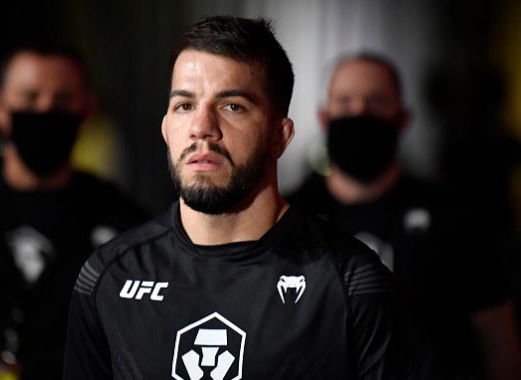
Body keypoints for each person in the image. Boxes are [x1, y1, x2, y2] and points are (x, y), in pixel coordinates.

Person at [63, 16, 428, 380]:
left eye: (232, 106)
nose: (202, 127)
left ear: (279, 136)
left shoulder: (350, 282)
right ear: (166, 128)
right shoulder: (108, 277)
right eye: (184, 106)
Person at [288, 52, 521, 379]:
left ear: (402, 118)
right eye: (345, 102)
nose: (360, 113)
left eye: (376, 102)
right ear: (325, 118)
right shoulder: (288, 217)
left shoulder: (456, 220)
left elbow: (500, 347)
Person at [0, 44, 145, 380]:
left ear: (86, 109)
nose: (45, 110)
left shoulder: (123, 224)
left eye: (62, 100)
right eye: (30, 98)